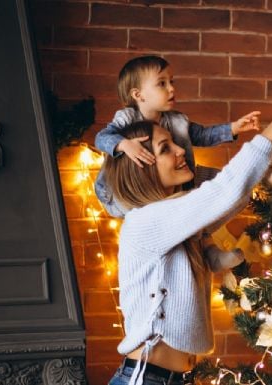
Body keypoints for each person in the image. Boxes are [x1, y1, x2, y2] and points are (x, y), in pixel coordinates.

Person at [104, 69, 272, 385]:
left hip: (169, 378)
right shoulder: (145, 221)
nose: (179, 151)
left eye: (174, 143)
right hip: (147, 378)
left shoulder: (175, 219)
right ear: (141, 170)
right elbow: (228, 189)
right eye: (164, 149)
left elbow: (234, 196)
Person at [94, 55, 261, 264]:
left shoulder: (175, 120)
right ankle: (207, 251)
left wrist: (233, 128)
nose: (171, 89)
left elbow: (201, 135)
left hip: (179, 181)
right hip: (124, 192)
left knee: (225, 190)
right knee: (180, 215)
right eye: (161, 84)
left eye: (172, 82)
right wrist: (124, 145)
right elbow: (101, 138)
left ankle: (208, 250)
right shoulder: (127, 119)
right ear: (138, 95)